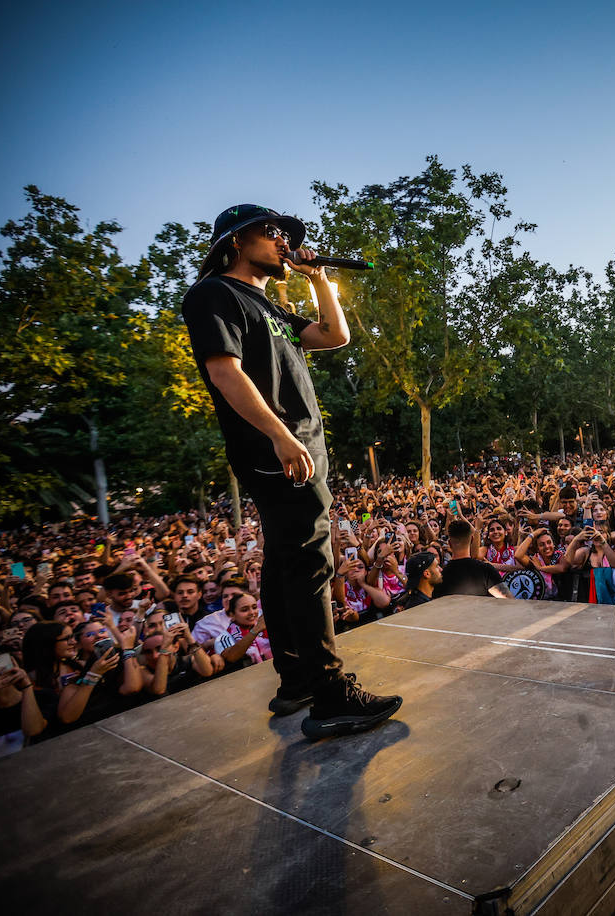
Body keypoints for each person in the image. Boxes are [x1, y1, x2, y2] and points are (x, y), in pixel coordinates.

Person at [182, 203, 400, 738]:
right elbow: (222, 371)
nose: (284, 242)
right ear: (236, 241)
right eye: (272, 233)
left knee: (284, 562)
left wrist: (318, 277)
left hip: (297, 444)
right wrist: (279, 435)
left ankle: (297, 680)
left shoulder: (267, 305)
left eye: (287, 235)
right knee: (309, 561)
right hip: (279, 447)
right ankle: (330, 693)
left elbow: (334, 336)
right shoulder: (215, 294)